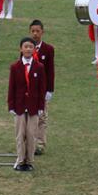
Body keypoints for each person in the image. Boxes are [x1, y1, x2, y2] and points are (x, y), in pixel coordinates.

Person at [8, 36, 47, 173]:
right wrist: (11, 106)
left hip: (34, 107)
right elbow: (11, 88)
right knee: (20, 134)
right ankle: (20, 160)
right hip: (19, 106)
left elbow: (42, 89)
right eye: (26, 47)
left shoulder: (39, 67)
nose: (28, 49)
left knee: (31, 134)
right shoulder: (15, 67)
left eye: (31, 47)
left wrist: (41, 107)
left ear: (34, 49)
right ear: (21, 49)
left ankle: (29, 161)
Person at [27, 20, 55, 155]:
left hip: (42, 89)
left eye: (37, 31)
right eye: (33, 31)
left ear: (42, 32)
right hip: (29, 89)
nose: (35, 34)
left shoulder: (48, 50)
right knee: (29, 116)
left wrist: (50, 89)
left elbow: (51, 71)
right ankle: (29, 142)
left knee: (42, 117)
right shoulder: (26, 48)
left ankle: (40, 143)